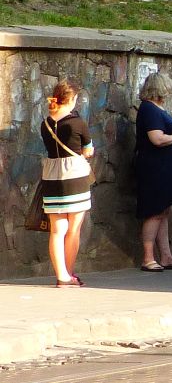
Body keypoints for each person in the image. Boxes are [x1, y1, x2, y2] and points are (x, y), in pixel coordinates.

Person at [134, 72, 172, 272]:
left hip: (166, 167)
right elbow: (157, 139)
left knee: (163, 211)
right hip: (154, 168)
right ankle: (148, 257)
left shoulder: (157, 109)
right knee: (155, 211)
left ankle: (166, 256)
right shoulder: (149, 110)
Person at [41, 81, 94, 287]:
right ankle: (69, 274)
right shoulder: (77, 123)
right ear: (71, 100)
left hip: (51, 176)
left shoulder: (45, 123)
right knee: (74, 228)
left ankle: (61, 275)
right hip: (74, 176)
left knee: (57, 229)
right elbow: (88, 150)